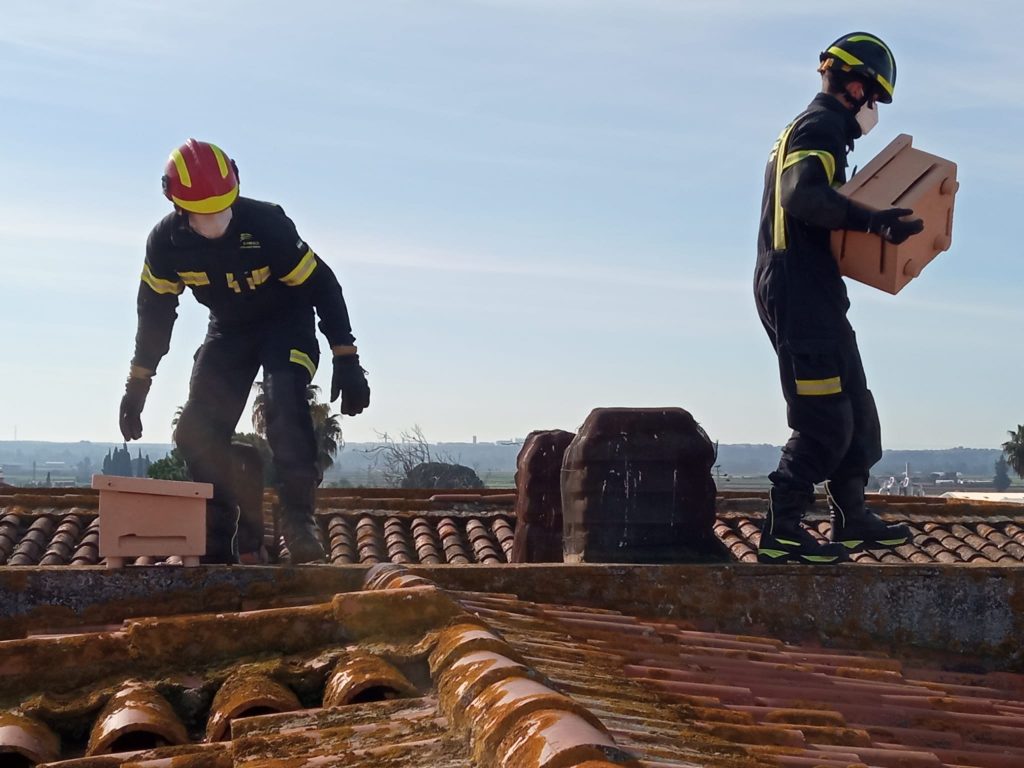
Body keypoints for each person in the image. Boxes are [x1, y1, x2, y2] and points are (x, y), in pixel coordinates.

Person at [118, 139, 370, 564]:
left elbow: (322, 284)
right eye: (204, 211)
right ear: (178, 206)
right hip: (229, 331)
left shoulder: (266, 225)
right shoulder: (166, 246)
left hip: (286, 325)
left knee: (284, 402)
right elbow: (155, 315)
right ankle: (219, 528)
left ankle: (298, 517)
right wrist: (138, 384)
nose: (217, 219)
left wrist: (346, 355)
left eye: (223, 206)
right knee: (196, 429)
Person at [754, 33, 923, 564]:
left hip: (816, 292)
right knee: (824, 418)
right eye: (873, 99)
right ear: (855, 88)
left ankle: (851, 518)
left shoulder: (814, 128)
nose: (872, 112)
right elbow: (801, 195)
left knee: (858, 413)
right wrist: (871, 221)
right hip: (798, 292)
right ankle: (782, 529)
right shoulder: (821, 126)